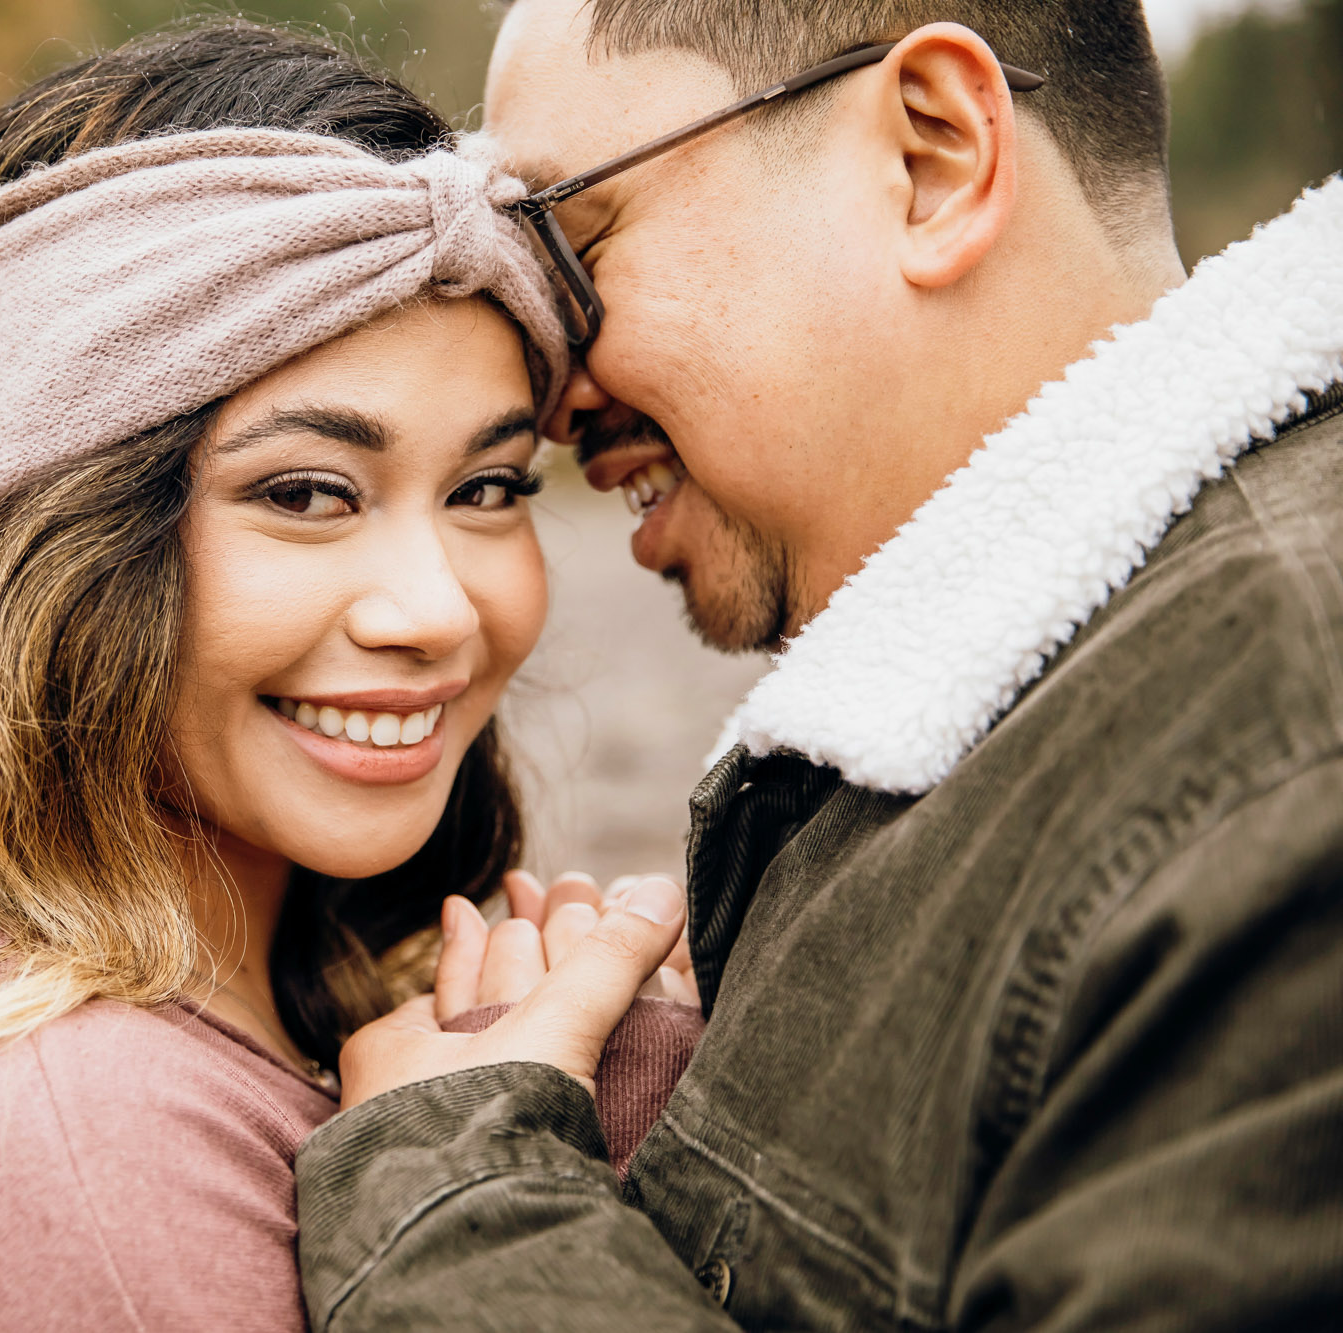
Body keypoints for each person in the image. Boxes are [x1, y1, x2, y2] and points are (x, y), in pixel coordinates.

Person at [0, 23, 701, 1333]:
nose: (439, 608)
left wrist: (596, 1125)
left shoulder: (280, 1019)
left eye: (489, 488)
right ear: (75, 543)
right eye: (306, 492)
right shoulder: (57, 1150)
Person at [294, 2, 1343, 1329]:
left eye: (572, 243)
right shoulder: (1008, 728)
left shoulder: (1285, 775)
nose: (550, 394)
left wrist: (453, 1184)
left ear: (934, 156)